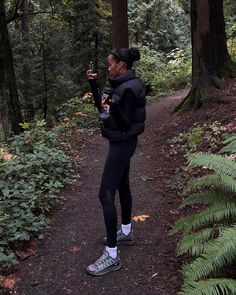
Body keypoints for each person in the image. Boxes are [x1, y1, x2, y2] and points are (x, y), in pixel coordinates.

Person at [86, 47, 146, 276]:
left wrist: (113, 111)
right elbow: (101, 106)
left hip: (123, 143)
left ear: (121, 64)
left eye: (110, 64)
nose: (107, 67)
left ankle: (112, 255)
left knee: (105, 195)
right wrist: (94, 85)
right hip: (120, 141)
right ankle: (126, 232)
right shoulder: (118, 82)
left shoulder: (130, 88)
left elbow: (123, 121)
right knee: (122, 186)